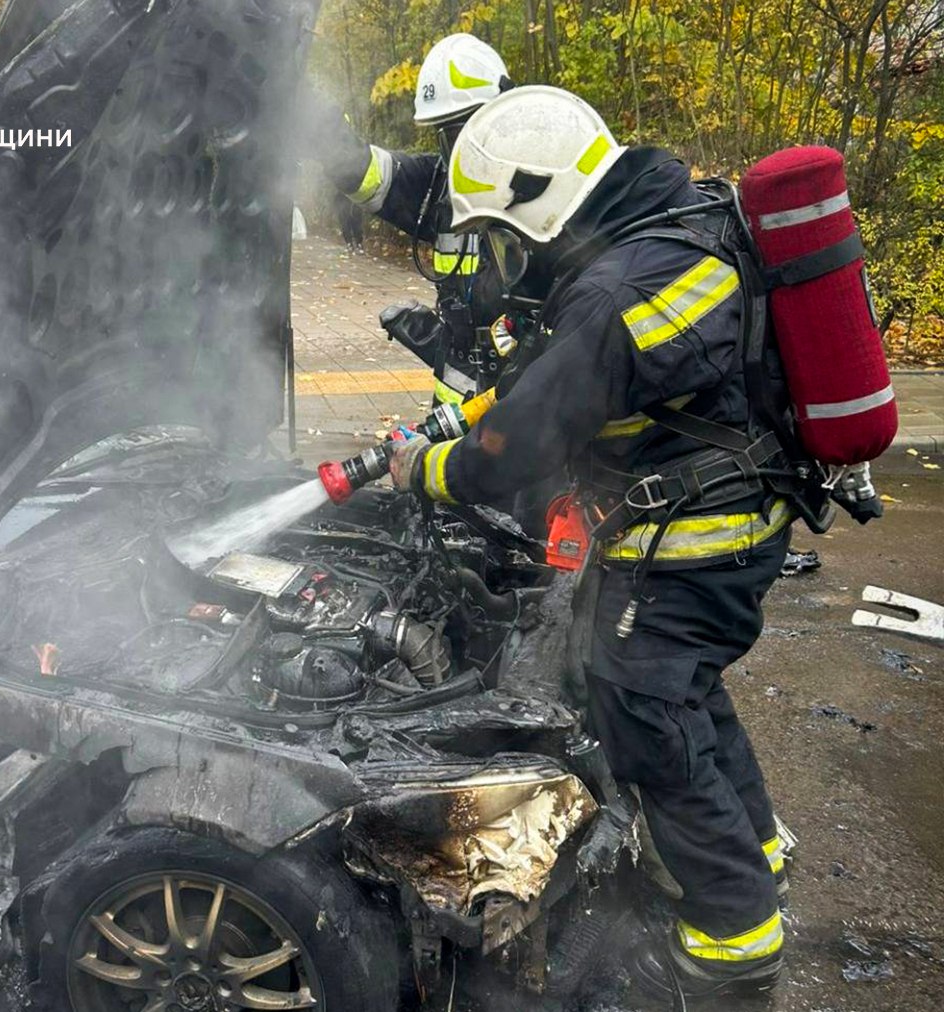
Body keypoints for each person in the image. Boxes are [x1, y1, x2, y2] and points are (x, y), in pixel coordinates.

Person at [389, 85, 792, 1000]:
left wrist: (432, 469)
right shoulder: (665, 222)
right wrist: (475, 405)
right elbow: (562, 372)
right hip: (739, 518)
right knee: (691, 692)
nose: (504, 258)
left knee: (644, 710)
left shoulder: (614, 291)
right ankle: (754, 851)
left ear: (539, 210)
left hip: (698, 541)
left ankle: (733, 940)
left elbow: (518, 448)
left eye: (503, 236)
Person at [308, 33, 516, 406]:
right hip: (452, 423)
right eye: (448, 135)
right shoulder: (437, 183)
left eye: (467, 129)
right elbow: (359, 171)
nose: (460, 149)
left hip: (523, 425)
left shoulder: (546, 193)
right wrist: (308, 110)